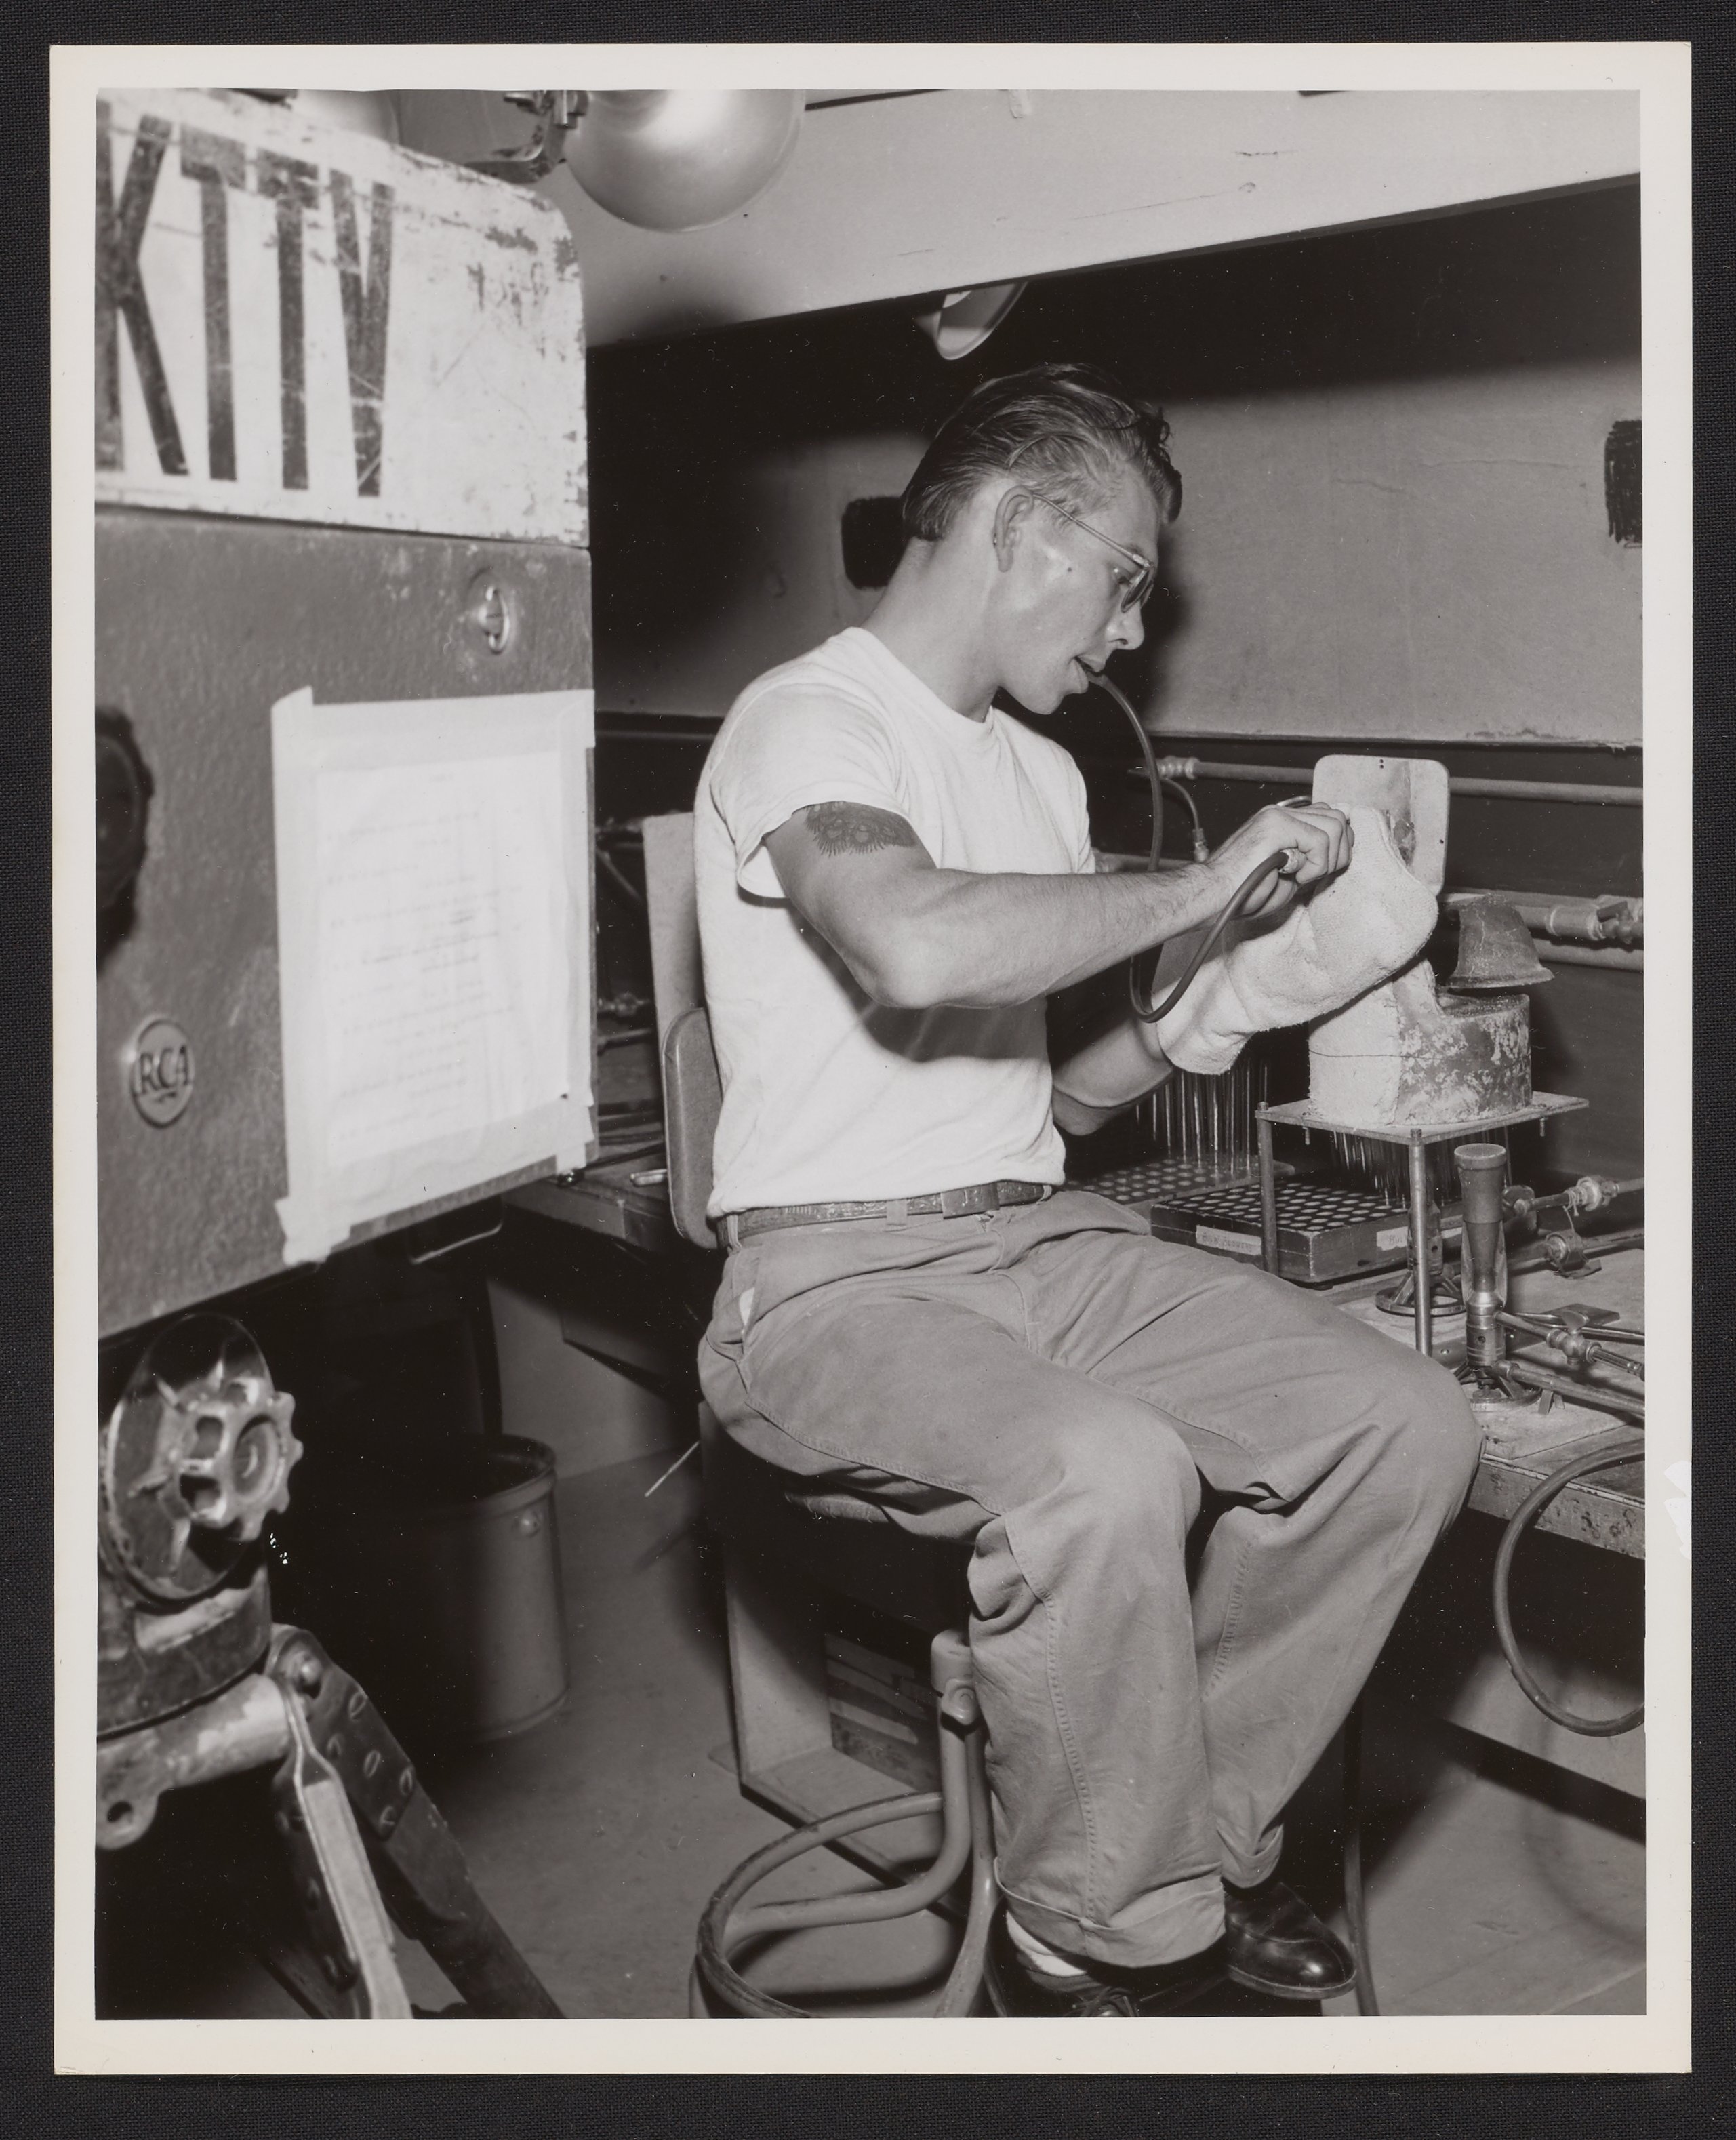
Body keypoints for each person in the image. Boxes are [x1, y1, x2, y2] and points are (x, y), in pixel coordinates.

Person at [692, 363, 1481, 2016]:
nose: (1129, 632)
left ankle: (1173, 1850)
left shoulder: (1044, 779)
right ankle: (1088, 1941)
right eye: (1122, 578)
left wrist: (1223, 1000)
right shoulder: (808, 718)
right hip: (831, 1287)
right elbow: (910, 941)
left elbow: (1034, 1095)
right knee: (1107, 1471)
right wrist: (1194, 883)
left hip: (1036, 1237)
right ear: (1014, 524)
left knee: (1405, 1421)